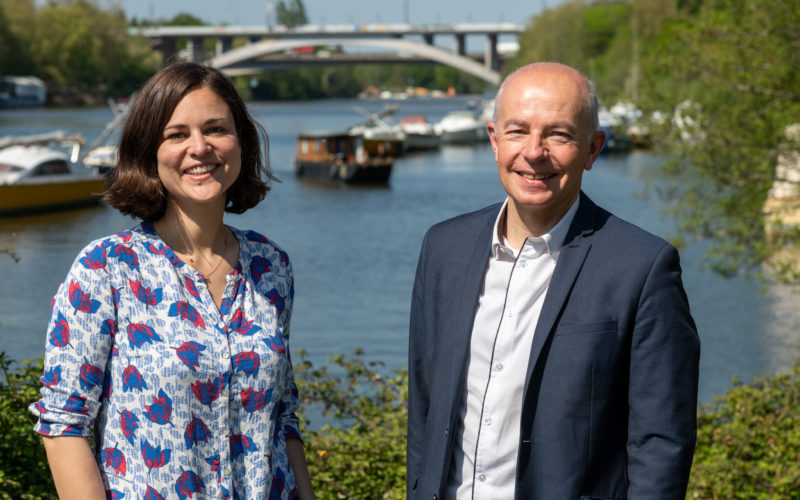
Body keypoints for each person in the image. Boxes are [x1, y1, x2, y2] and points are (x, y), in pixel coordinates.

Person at [407, 62, 700, 499]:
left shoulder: (642, 267)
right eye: (517, 131)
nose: (534, 151)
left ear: (593, 148)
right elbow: (425, 408)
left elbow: (661, 441)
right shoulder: (443, 249)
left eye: (559, 134)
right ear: (493, 140)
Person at [30, 62, 315, 500]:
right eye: (177, 134)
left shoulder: (271, 266)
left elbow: (284, 417)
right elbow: (64, 424)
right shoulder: (106, 268)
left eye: (216, 129)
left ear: (241, 142)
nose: (199, 148)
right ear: (149, 150)